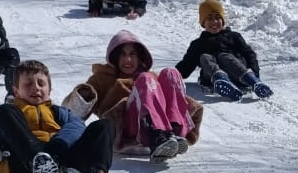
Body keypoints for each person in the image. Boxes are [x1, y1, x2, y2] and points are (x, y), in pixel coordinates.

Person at [69, 28, 203, 163]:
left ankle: (174, 133)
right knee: (145, 79)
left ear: (140, 58)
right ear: (115, 57)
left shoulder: (151, 77)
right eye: (122, 54)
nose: (127, 59)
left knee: (170, 73)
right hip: (125, 132)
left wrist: (190, 111)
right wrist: (83, 96)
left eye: (132, 54)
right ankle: (156, 135)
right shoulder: (102, 78)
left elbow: (174, 100)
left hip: (166, 137)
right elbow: (73, 114)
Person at [176, 0, 272, 100]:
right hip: (212, 79)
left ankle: (253, 82)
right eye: (210, 18)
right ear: (203, 22)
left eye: (218, 18)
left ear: (223, 20)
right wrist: (169, 76)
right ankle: (221, 79)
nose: (214, 22)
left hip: (239, 74)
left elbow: (249, 54)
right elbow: (186, 66)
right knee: (205, 57)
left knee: (224, 56)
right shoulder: (198, 44)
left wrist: (254, 74)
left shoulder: (234, 36)